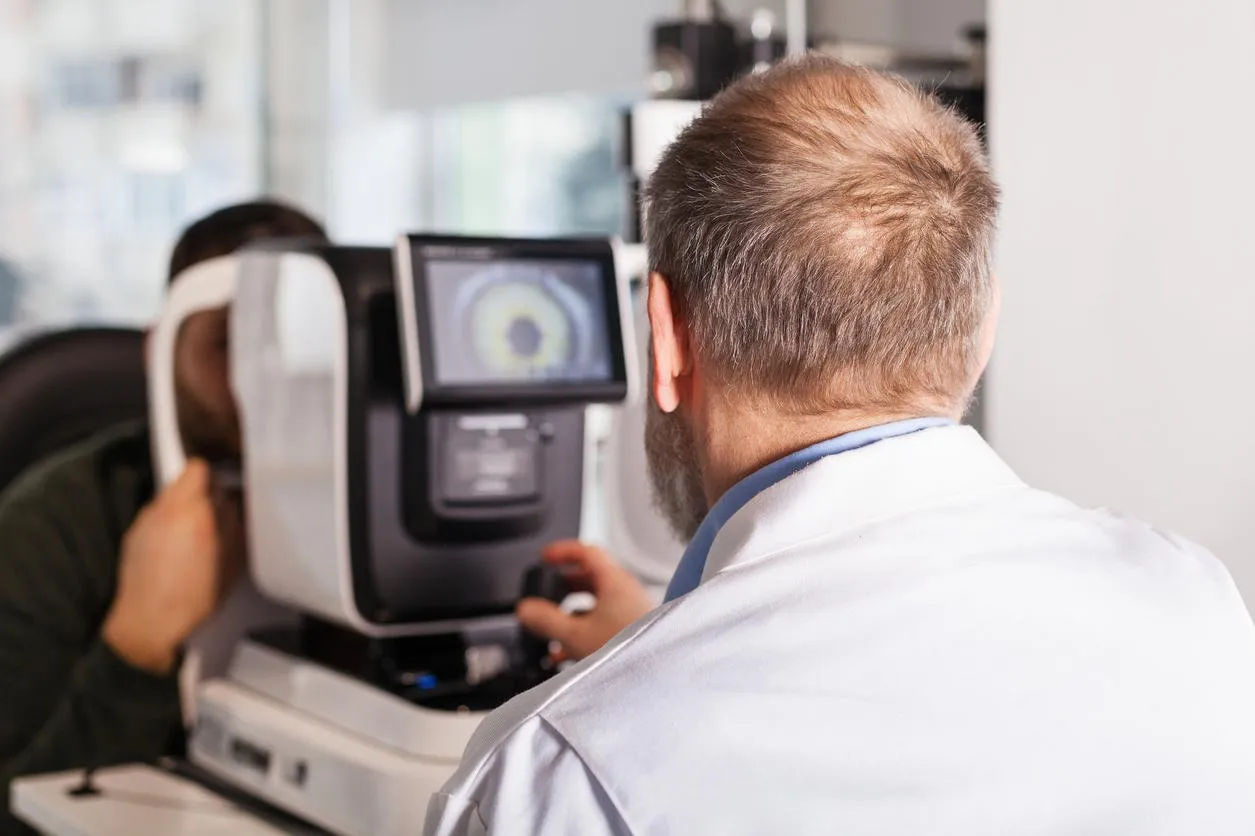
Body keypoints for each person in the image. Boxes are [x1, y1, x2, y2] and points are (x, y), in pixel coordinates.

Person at [427, 57, 1255, 835]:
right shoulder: (1195, 607)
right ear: (982, 329)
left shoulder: (554, 779)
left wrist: (629, 685)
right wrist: (648, 656)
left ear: (666, 338)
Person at [0, 201, 327, 833]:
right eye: (229, 342)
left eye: (297, 343)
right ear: (162, 350)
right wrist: (137, 645)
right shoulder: (54, 525)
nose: (265, 380)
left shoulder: (382, 526)